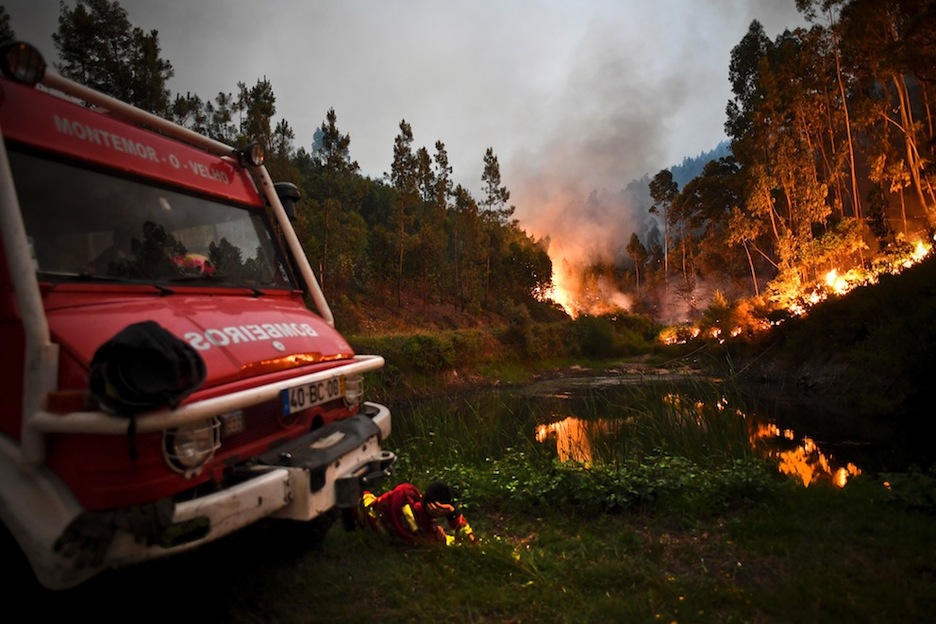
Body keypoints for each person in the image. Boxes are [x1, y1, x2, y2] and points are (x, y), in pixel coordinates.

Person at [355, 481, 477, 546]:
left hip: (367, 509)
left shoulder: (405, 491)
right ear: (439, 511)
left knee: (366, 497)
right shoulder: (427, 535)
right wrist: (452, 514)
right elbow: (469, 542)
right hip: (370, 522)